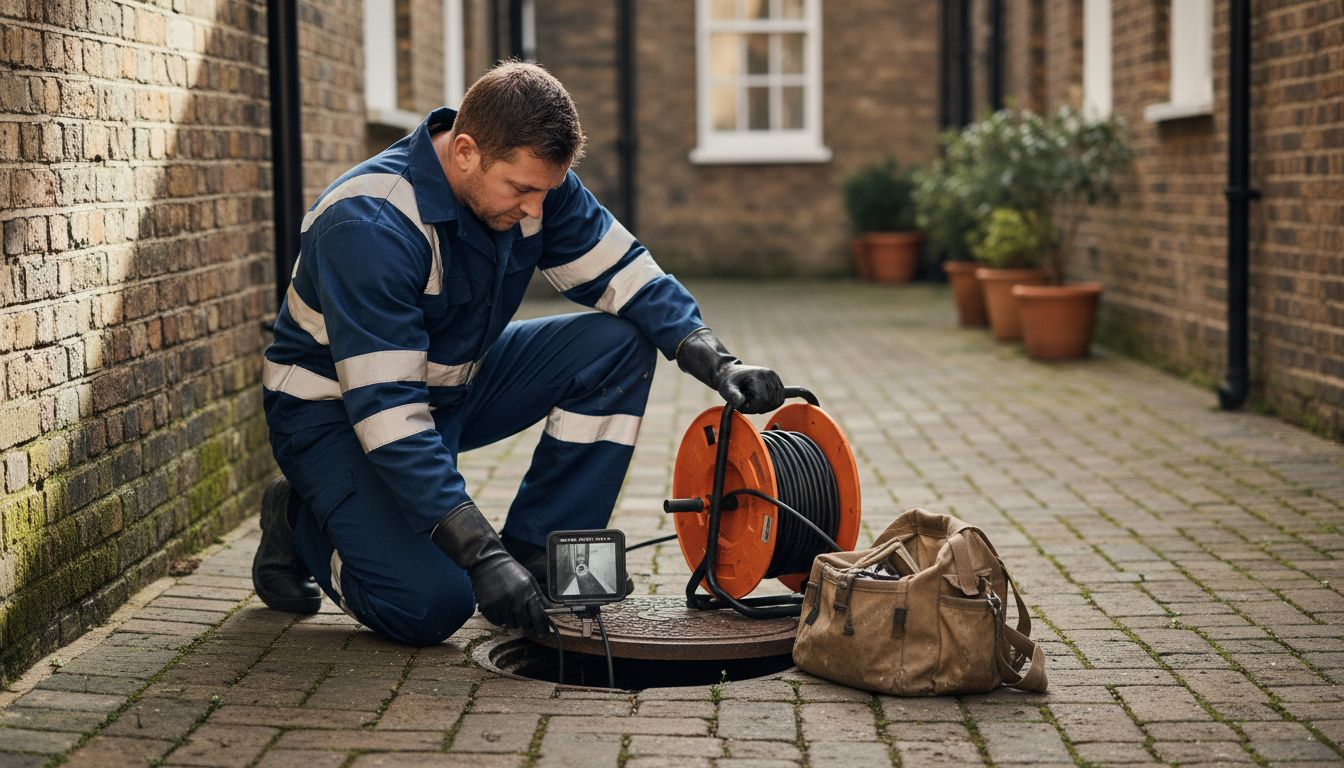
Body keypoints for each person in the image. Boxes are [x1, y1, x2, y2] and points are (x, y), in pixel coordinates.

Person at [253, 61, 784, 646]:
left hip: (450, 385)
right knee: (431, 605)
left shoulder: (533, 185)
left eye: (546, 191)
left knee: (617, 346)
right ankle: (301, 517)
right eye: (523, 190)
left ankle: (537, 551)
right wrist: (481, 556)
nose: (536, 209)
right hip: (336, 415)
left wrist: (717, 360)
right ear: (464, 152)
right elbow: (388, 414)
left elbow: (626, 273)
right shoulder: (369, 226)